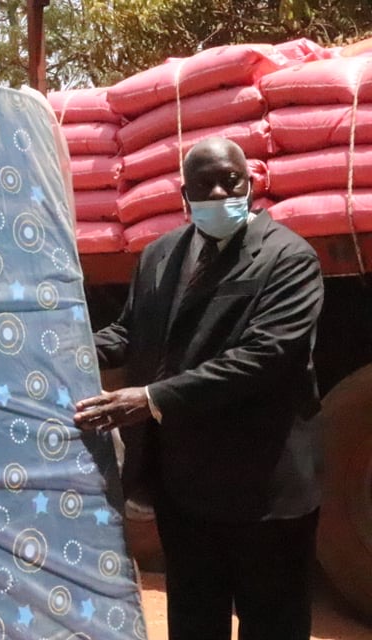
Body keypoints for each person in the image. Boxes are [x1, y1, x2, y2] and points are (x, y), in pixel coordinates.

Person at [74, 137, 324, 640]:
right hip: (186, 492)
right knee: (193, 621)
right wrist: (62, 350)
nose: (219, 193)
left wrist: (151, 399)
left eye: (230, 181)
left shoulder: (289, 258)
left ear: (250, 182)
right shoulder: (159, 255)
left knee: (272, 624)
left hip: (263, 493)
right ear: (183, 194)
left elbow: (263, 358)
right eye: (204, 184)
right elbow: (132, 332)